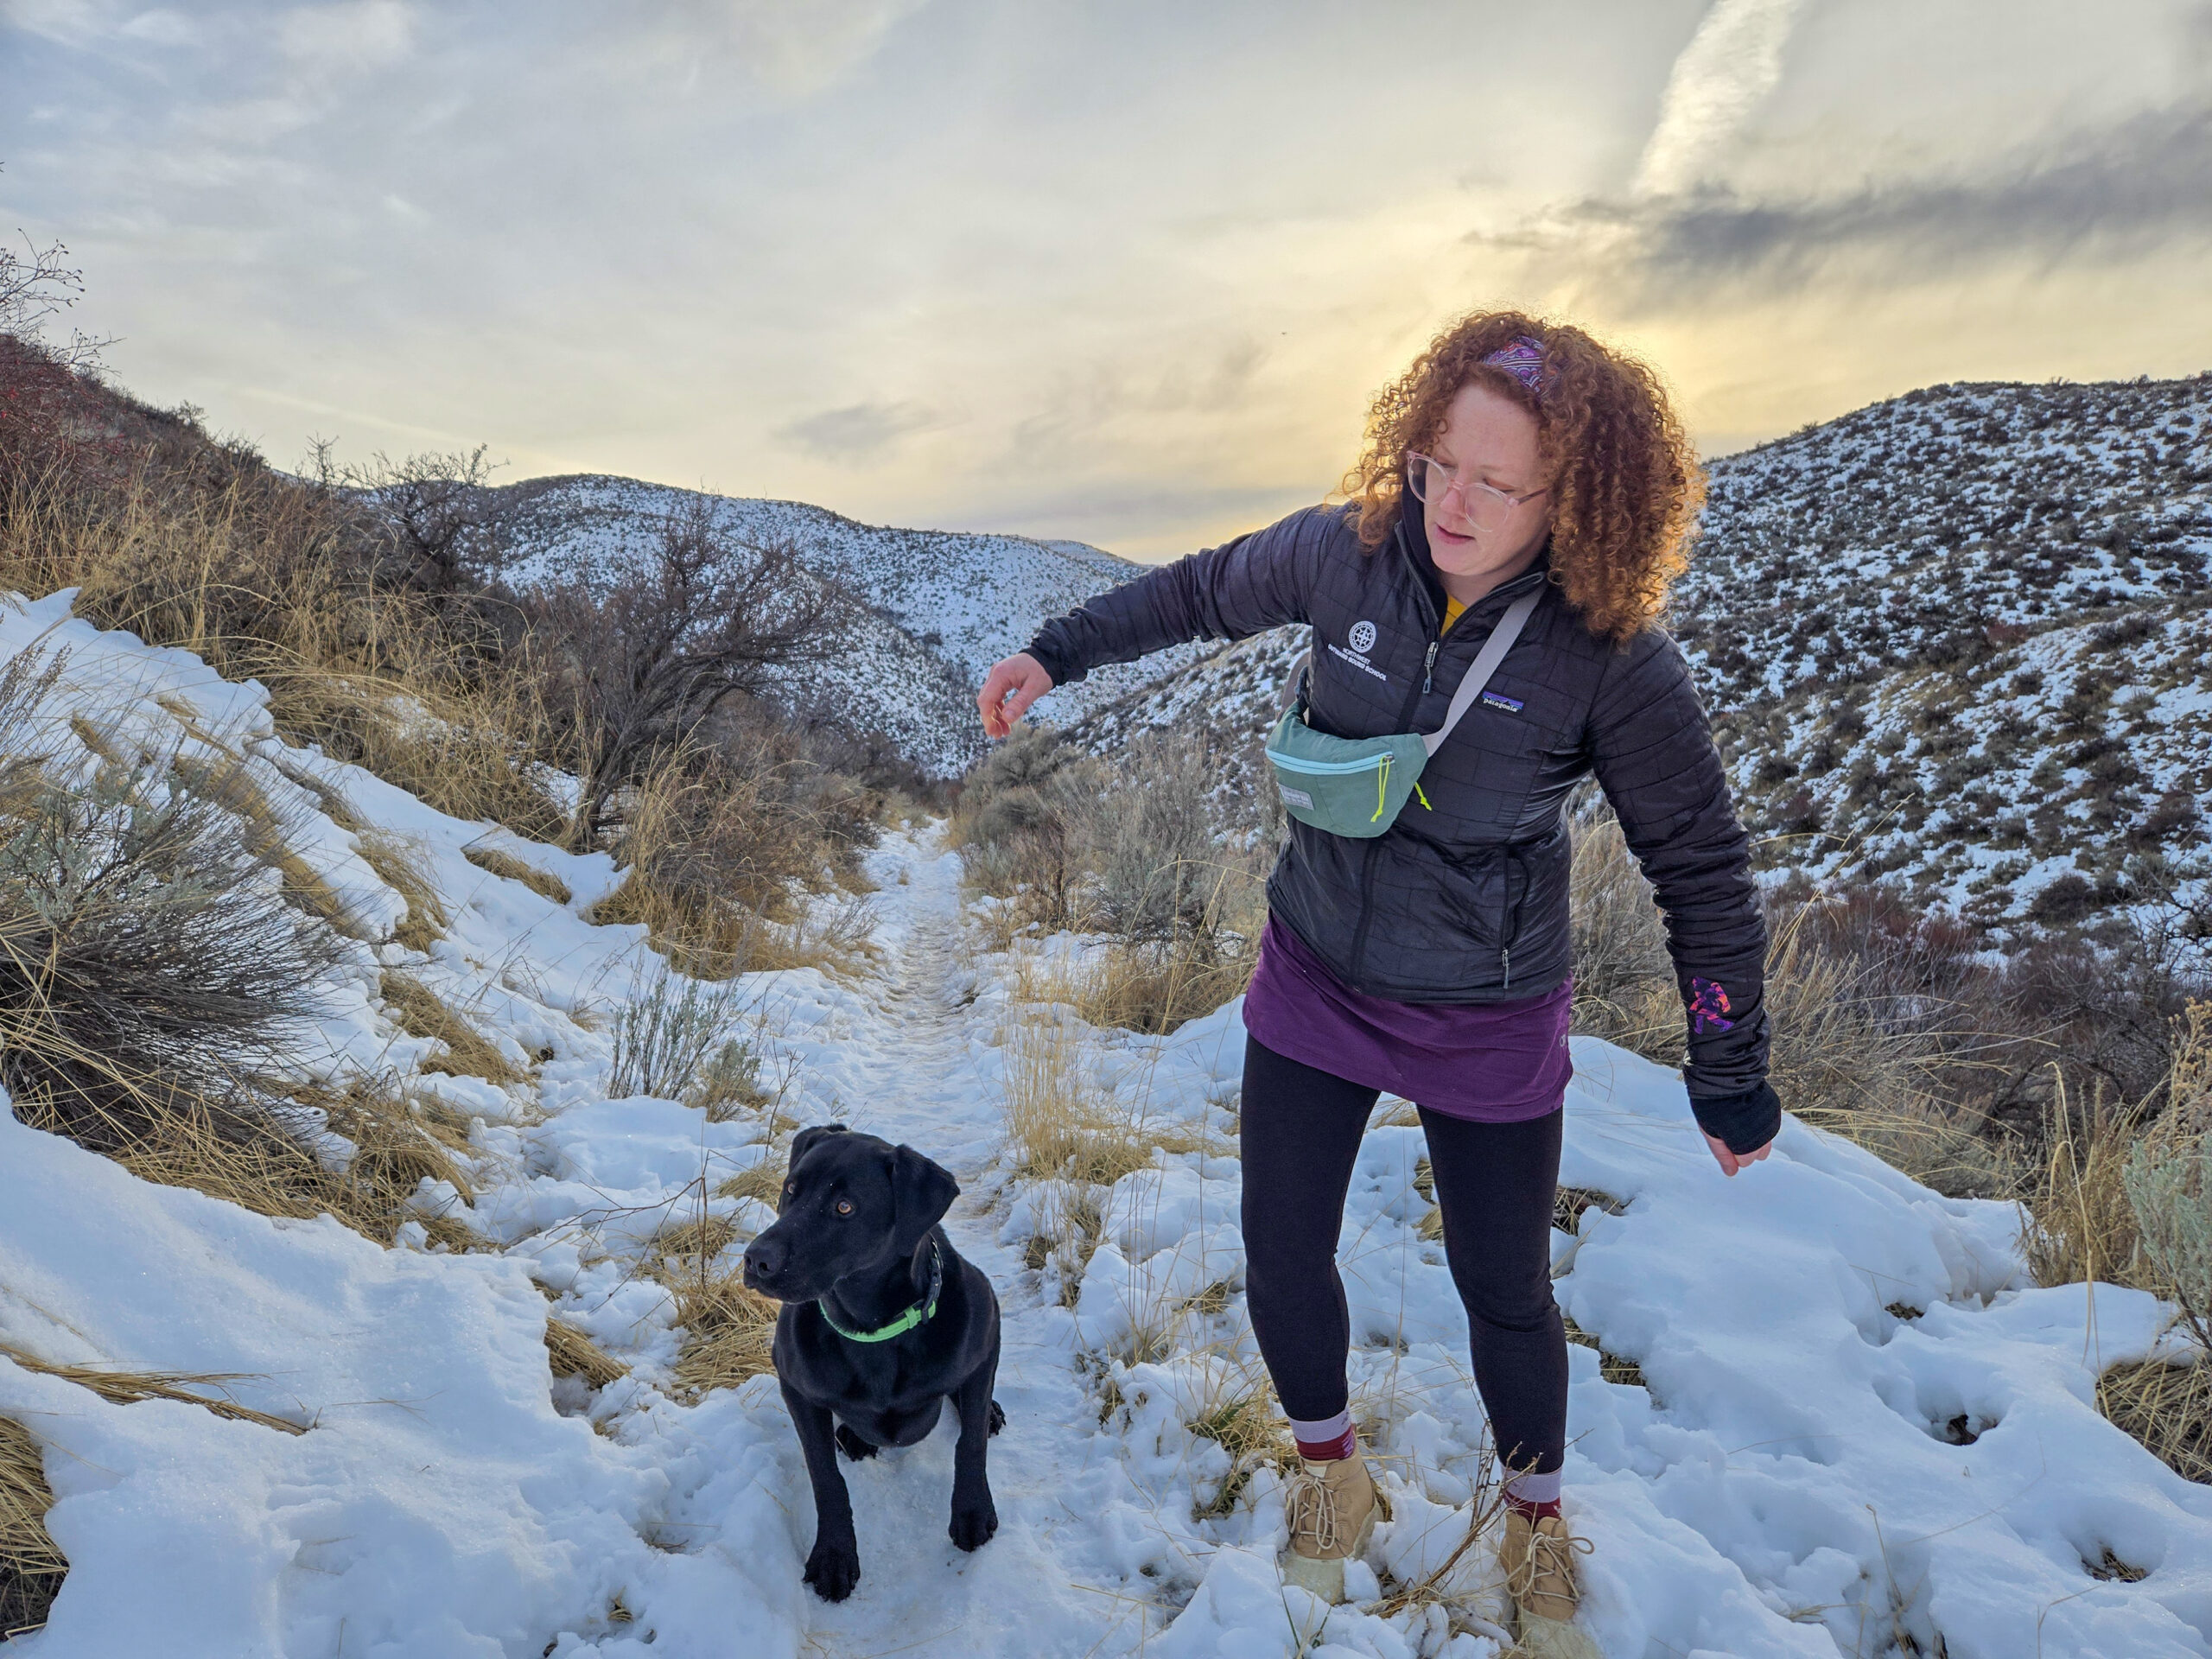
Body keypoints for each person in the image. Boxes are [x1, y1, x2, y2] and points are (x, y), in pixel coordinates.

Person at [976, 311, 1777, 1658]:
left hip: (1489, 1008)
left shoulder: (1608, 657)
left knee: (1503, 1287)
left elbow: (1698, 862)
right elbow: (1192, 591)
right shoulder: (1345, 554)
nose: (1453, 504)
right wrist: (1053, 652)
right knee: (1281, 1246)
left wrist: (1730, 1063)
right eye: (1437, 465)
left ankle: (1531, 1524)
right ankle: (1330, 1470)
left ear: (1572, 498)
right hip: (1319, 970)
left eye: (1498, 482)